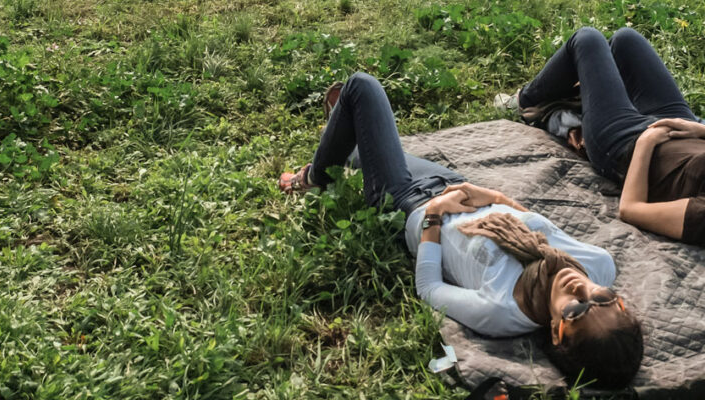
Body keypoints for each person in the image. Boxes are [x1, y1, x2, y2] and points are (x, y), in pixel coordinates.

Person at [279, 73, 643, 390]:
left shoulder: (502, 311)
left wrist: (434, 216)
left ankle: (313, 178)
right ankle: (341, 144)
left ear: (555, 332)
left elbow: (429, 289)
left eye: (578, 311)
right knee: (360, 147)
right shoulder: (598, 265)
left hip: (409, 203)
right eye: (606, 300)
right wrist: (496, 196)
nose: (583, 290)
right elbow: (534, 222)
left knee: (362, 88)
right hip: (456, 186)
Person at [498, 26, 705, 246]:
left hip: (627, 143)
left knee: (587, 39)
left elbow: (631, 209)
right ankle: (586, 93)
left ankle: (524, 101)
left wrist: (646, 143)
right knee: (626, 40)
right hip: (683, 126)